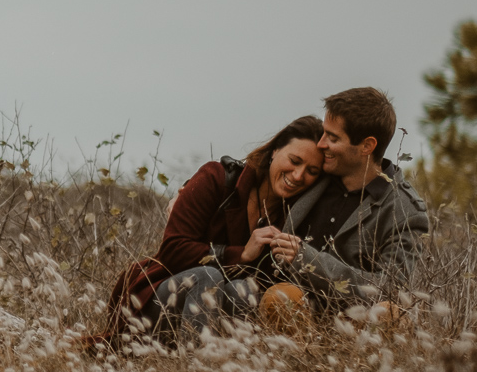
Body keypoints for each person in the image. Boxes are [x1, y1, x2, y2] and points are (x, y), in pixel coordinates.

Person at [97, 115, 326, 344]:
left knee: (242, 288)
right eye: (294, 161)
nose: (298, 175)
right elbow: (172, 250)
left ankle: (228, 370)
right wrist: (241, 254)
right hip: (159, 302)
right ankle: (198, 369)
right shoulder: (216, 178)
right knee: (208, 277)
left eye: (312, 171)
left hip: (223, 312)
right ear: (275, 150)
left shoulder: (295, 218)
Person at [278, 87, 431, 306]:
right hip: (285, 315)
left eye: (332, 138)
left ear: (367, 146)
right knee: (279, 297)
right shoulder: (312, 174)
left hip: (354, 327)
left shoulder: (405, 211)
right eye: (324, 133)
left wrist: (307, 259)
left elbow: (390, 289)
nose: (321, 144)